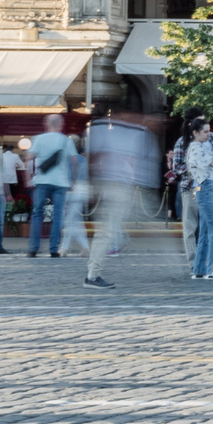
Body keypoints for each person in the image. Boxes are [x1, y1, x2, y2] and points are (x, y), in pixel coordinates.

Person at [81, 110, 156, 290]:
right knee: (106, 232)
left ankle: (93, 273)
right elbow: (96, 160)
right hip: (114, 188)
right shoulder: (111, 133)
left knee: (107, 231)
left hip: (117, 188)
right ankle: (92, 275)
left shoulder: (120, 133)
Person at [180, 115, 213, 282]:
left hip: (206, 188)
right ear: (195, 132)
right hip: (205, 189)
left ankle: (200, 269)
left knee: (204, 232)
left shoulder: (202, 146)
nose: (208, 134)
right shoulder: (196, 148)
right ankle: (212, 268)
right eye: (205, 132)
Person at [27, 113, 76, 259]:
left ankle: (34, 249)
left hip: (42, 181)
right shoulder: (66, 141)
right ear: (61, 125)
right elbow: (74, 161)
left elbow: (29, 158)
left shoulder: (39, 139)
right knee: (58, 215)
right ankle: (54, 249)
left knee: (37, 214)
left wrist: (28, 178)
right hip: (61, 183)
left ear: (47, 124)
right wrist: (72, 180)